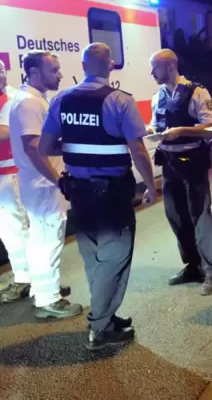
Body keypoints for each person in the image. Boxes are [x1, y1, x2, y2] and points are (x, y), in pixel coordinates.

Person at [38, 43, 158, 350]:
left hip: (79, 194)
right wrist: (151, 186)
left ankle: (108, 315)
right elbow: (139, 151)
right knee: (115, 258)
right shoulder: (120, 100)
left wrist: (78, 148)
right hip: (112, 194)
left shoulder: (62, 99)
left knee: (94, 258)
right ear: (110, 65)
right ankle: (100, 327)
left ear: (83, 64)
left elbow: (45, 147)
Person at [5, 53, 82, 319]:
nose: (60, 74)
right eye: (54, 69)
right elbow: (33, 147)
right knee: (47, 240)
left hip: (37, 184)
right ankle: (48, 300)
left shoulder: (32, 100)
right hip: (42, 185)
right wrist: (58, 179)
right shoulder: (29, 103)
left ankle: (43, 288)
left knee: (41, 238)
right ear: (34, 72)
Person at [146, 49, 212, 295]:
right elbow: (157, 123)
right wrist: (151, 128)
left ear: (169, 67)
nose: (151, 73)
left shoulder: (197, 91)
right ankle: (193, 266)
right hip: (169, 163)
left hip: (193, 163)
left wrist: (182, 131)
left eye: (154, 68)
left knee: (200, 216)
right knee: (176, 216)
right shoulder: (157, 97)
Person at [0, 62, 32, 304]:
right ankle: (31, 277)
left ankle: (24, 279)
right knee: (11, 228)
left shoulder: (10, 98)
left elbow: (4, 130)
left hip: (10, 173)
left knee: (14, 228)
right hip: (6, 173)